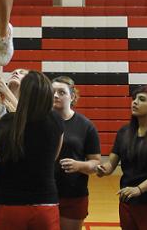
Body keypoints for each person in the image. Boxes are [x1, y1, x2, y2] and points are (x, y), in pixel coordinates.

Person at [0, 71, 64, 230]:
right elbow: (54, 157)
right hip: (45, 203)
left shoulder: (5, 123)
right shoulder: (55, 120)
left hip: (10, 204)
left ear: (23, 94)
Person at [96, 85, 147, 230]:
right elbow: (111, 164)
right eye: (134, 99)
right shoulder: (123, 132)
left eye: (141, 99)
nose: (135, 102)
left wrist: (139, 189)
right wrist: (103, 169)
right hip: (127, 202)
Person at [52, 76, 101, 230]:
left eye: (61, 92)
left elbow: (96, 163)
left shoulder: (86, 126)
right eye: (52, 92)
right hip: (44, 192)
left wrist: (79, 165)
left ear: (72, 96)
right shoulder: (41, 121)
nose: (55, 95)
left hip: (73, 195)